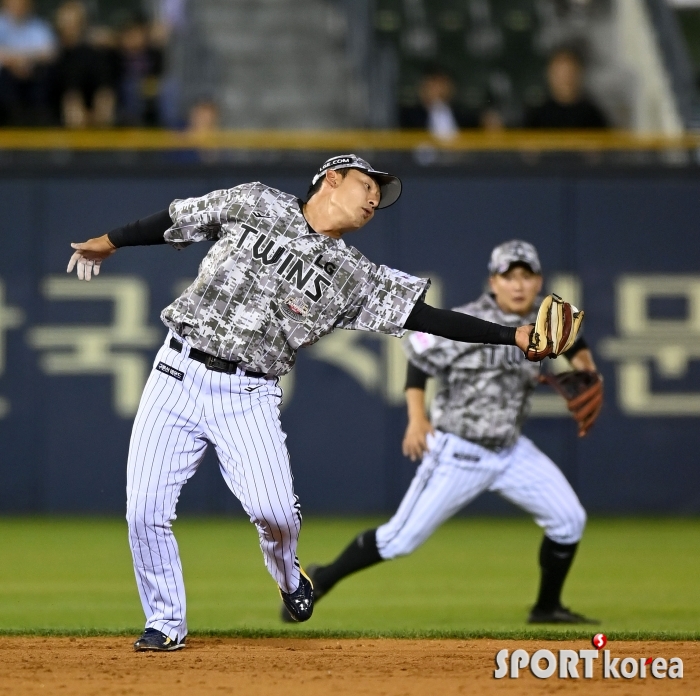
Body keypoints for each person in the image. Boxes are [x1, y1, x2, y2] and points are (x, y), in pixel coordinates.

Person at [66, 154, 542, 651]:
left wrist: (513, 335)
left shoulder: (354, 276)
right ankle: (165, 622)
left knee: (277, 515)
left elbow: (425, 317)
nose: (376, 198)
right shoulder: (256, 201)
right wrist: (110, 240)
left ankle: (290, 576)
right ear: (332, 179)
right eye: (368, 185)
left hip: (247, 394)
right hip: (175, 372)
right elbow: (178, 218)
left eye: (381, 194)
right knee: (144, 511)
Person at [282, 240, 601, 625]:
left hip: (512, 449)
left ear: (538, 282)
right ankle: (321, 578)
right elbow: (419, 360)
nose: (518, 285)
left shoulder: (544, 324)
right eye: (508, 276)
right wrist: (417, 419)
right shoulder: (470, 320)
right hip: (459, 450)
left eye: (526, 276)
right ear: (493, 281)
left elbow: (576, 346)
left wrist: (587, 368)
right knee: (399, 540)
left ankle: (546, 608)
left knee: (569, 520)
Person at [49, 1, 115, 128]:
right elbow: (66, 90)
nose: (70, 28)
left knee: (105, 98)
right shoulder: (55, 52)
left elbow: (104, 85)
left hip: (96, 95)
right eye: (67, 23)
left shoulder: (94, 52)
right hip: (65, 101)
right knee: (73, 105)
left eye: (74, 23)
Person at [0, 0, 55, 125]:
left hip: (33, 73)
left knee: (45, 73)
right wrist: (15, 62)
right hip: (6, 75)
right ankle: (13, 119)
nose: (18, 6)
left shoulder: (39, 26)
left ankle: (39, 121)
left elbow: (50, 52)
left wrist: (26, 61)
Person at [525, 48, 607, 129]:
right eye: (560, 73)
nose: (565, 78)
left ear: (579, 74)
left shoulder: (592, 115)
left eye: (570, 73)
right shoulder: (536, 116)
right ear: (549, 74)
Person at [399, 69, 479, 138]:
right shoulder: (409, 116)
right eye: (433, 84)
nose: (438, 89)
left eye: (441, 84)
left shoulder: (463, 115)